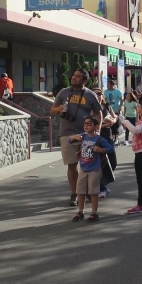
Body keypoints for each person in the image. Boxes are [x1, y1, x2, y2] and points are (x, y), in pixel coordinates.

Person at [50, 69, 103, 206]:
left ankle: (87, 192)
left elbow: (99, 113)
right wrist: (59, 109)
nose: (74, 78)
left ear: (84, 80)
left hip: (87, 135)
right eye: (74, 75)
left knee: (88, 165)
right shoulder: (63, 92)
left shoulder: (90, 95)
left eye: (78, 76)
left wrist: (98, 129)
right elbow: (52, 110)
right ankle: (75, 193)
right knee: (72, 166)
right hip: (68, 133)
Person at [67, 115, 114, 222]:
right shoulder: (83, 136)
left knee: (93, 192)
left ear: (96, 126)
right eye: (85, 124)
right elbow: (69, 141)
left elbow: (110, 148)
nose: (86, 126)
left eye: (89, 124)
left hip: (94, 169)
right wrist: (74, 137)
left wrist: (101, 150)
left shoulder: (99, 139)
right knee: (81, 191)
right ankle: (81, 211)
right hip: (83, 168)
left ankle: (94, 213)